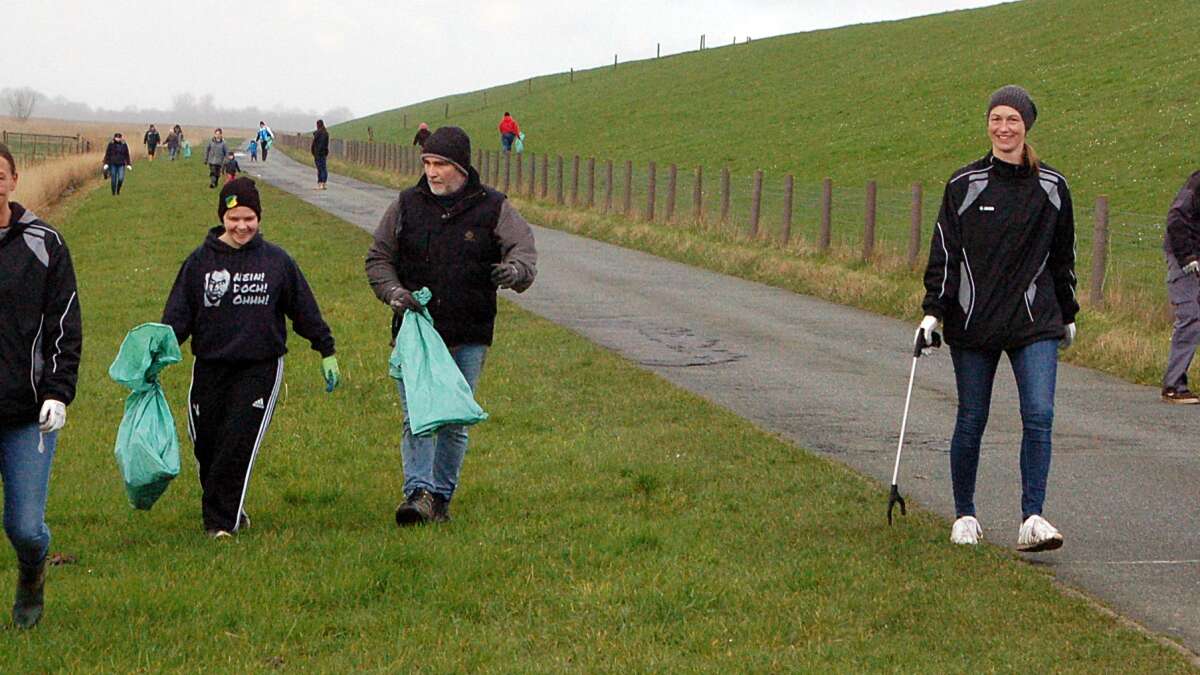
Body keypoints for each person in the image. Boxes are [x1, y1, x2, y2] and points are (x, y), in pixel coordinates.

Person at [918, 85, 1077, 553]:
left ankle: (1033, 518)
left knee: (1040, 415)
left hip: (1035, 320)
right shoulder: (963, 185)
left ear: (1027, 125)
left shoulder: (1053, 187)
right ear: (987, 124)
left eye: (1013, 120)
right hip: (974, 321)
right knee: (971, 418)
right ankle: (965, 515)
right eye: (996, 119)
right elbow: (943, 255)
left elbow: (1062, 257)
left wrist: (1067, 313)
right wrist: (933, 312)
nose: (1004, 127)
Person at [365, 126, 537, 526]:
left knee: (455, 419)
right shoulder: (406, 205)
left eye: (440, 163)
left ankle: (441, 497)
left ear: (461, 166)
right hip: (417, 332)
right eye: (426, 163)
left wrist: (513, 272)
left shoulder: (494, 207)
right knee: (419, 416)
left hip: (469, 332)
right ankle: (418, 493)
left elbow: (523, 252)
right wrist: (393, 292)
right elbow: (378, 258)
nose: (431, 172)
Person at [162, 177, 340, 538]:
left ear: (259, 218)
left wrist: (326, 349)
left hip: (260, 366)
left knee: (236, 442)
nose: (242, 226)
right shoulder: (199, 262)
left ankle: (220, 525)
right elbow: (177, 316)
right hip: (210, 365)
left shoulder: (277, 262)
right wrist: (157, 355)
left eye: (249, 218)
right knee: (207, 447)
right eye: (234, 219)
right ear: (222, 218)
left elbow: (303, 308)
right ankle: (231, 509)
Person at [0, 143, 82, 627]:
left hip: (26, 412)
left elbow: (65, 321)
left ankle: (32, 579)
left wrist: (58, 390)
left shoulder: (44, 242)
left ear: (13, 179)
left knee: (27, 529)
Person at [1161, 172, 1200, 403]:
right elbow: (1176, 219)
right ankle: (1174, 385)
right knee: (1190, 315)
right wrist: (1188, 258)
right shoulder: (1197, 185)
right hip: (1184, 253)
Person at [311, 119, 330, 190]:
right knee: (323, 168)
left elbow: (314, 144)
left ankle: (321, 183)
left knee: (320, 168)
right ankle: (323, 183)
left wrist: (314, 152)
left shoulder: (318, 134)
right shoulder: (325, 133)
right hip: (322, 153)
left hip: (318, 153)